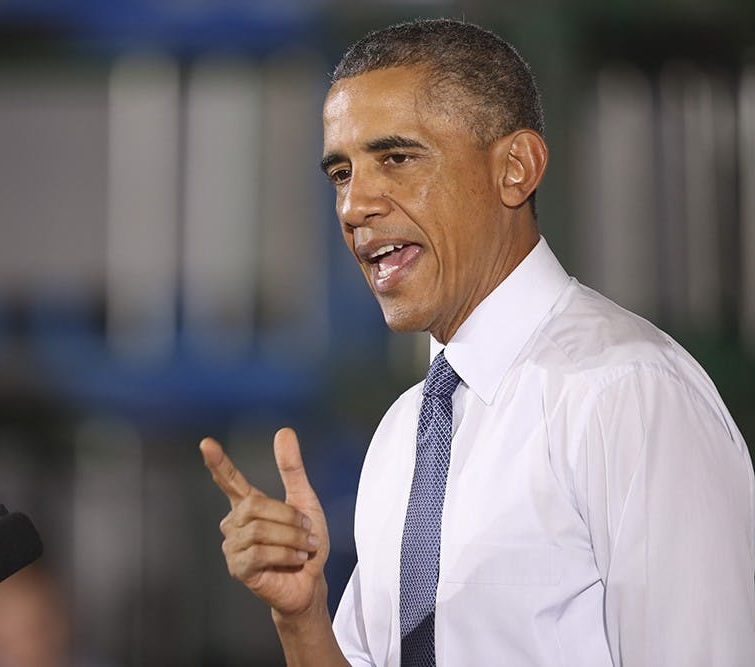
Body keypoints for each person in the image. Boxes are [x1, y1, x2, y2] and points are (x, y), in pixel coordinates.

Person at [199, 17, 755, 667]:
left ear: (515, 169)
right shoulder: (402, 434)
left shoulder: (628, 394)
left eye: (396, 158)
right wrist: (301, 617)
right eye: (341, 174)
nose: (355, 205)